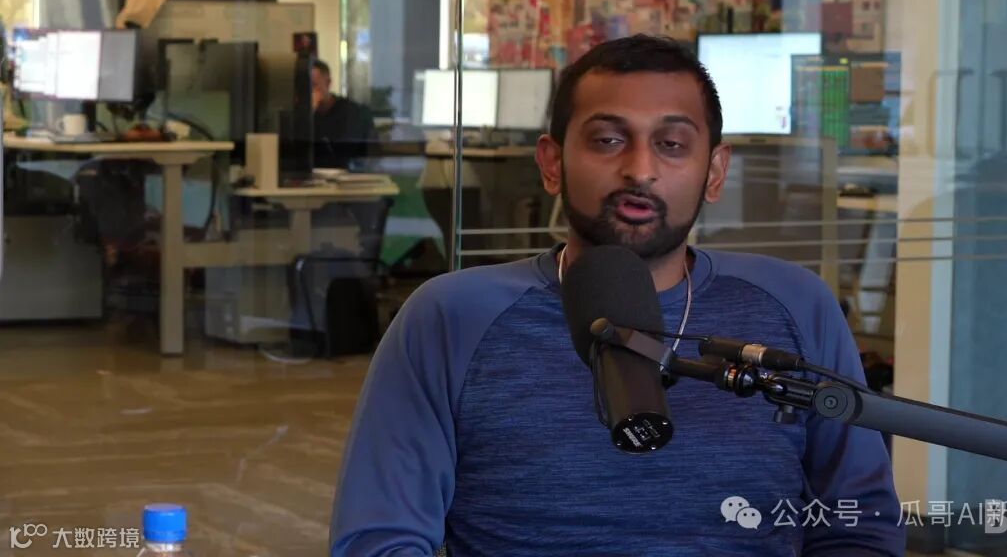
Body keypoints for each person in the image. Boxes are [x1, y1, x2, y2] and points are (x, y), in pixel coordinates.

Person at [331, 34, 904, 556]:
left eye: (672, 144)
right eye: (608, 140)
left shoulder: (796, 307)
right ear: (552, 163)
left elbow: (860, 527)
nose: (640, 169)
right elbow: (379, 540)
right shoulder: (450, 317)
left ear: (714, 171)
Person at [311, 59, 377, 168]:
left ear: (328, 83)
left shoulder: (352, 113)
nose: (309, 92)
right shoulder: (304, 118)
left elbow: (368, 155)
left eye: (314, 85)